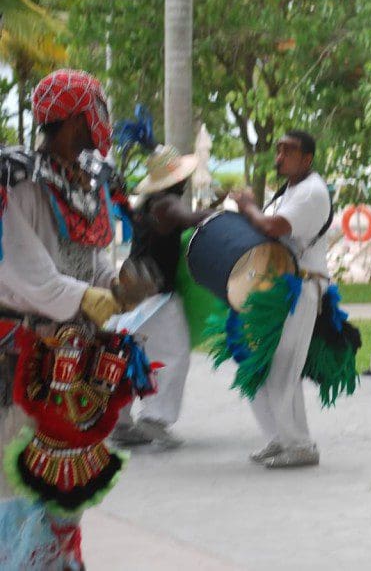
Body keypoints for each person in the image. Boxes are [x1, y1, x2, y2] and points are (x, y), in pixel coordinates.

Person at [0, 69, 156, 568]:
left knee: (65, 482)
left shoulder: (86, 182)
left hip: (74, 356)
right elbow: (36, 283)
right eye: (95, 111)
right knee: (17, 479)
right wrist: (103, 299)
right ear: (72, 121)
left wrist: (119, 286)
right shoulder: (16, 183)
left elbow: (94, 262)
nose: (101, 122)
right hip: (20, 355)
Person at [231, 130, 331, 468]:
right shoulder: (290, 190)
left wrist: (247, 207)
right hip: (278, 289)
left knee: (283, 369)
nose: (279, 156)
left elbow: (273, 227)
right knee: (259, 366)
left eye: (288, 151)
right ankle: (279, 437)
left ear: (307, 159)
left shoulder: (313, 193)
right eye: (278, 150)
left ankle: (299, 444)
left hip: (301, 289)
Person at [111, 146, 212, 449]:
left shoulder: (148, 204)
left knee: (132, 355)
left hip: (134, 287)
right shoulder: (168, 202)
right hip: (155, 294)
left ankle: (121, 421)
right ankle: (155, 418)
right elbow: (190, 217)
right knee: (175, 353)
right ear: (175, 180)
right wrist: (215, 214)